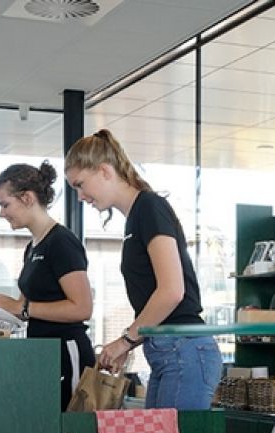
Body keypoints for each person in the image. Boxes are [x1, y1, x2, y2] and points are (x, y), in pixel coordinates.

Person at [65, 130, 222, 410]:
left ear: (104, 171)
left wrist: (125, 341)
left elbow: (172, 291)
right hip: (169, 351)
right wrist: (132, 342)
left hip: (183, 349)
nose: (79, 197)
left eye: (80, 184)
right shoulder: (136, 217)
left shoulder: (149, 207)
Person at [0, 161, 94, 410]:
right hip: (44, 355)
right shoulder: (33, 246)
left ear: (27, 198)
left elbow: (82, 308)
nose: (2, 213)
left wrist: (22, 308)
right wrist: (1, 310)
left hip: (68, 352)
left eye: (5, 204)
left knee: (69, 432)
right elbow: (26, 307)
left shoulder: (62, 243)